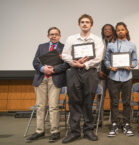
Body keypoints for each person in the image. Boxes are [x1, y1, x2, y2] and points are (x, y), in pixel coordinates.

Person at [62, 14, 104, 143]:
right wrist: (74, 62)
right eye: (82, 22)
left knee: (88, 102)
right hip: (74, 72)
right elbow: (64, 54)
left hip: (90, 72)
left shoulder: (96, 39)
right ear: (79, 24)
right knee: (74, 102)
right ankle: (74, 132)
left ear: (91, 25)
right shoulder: (71, 39)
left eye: (87, 22)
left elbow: (98, 57)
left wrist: (85, 64)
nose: (85, 24)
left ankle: (88, 130)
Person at [28, 27, 69, 143]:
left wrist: (53, 69)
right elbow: (35, 62)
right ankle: (39, 131)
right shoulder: (42, 47)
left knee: (53, 106)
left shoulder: (64, 48)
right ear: (48, 36)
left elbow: (67, 64)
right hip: (41, 78)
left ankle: (55, 131)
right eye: (51, 34)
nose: (54, 36)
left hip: (55, 79)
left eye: (56, 34)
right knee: (40, 106)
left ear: (60, 36)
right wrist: (43, 68)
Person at [105, 22, 137, 137]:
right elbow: (107, 60)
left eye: (122, 29)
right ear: (116, 32)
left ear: (126, 31)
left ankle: (127, 124)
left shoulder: (132, 45)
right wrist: (110, 66)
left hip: (127, 77)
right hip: (113, 77)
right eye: (118, 30)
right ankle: (114, 124)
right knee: (114, 102)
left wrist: (131, 66)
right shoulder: (111, 45)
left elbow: (135, 61)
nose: (120, 32)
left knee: (127, 102)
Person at [97, 24, 116, 126]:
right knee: (100, 97)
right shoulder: (99, 43)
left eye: (109, 29)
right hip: (101, 74)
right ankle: (98, 121)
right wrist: (98, 70)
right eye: (105, 29)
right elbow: (96, 58)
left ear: (113, 31)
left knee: (114, 98)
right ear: (103, 31)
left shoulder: (117, 42)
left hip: (114, 74)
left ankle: (114, 122)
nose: (107, 31)